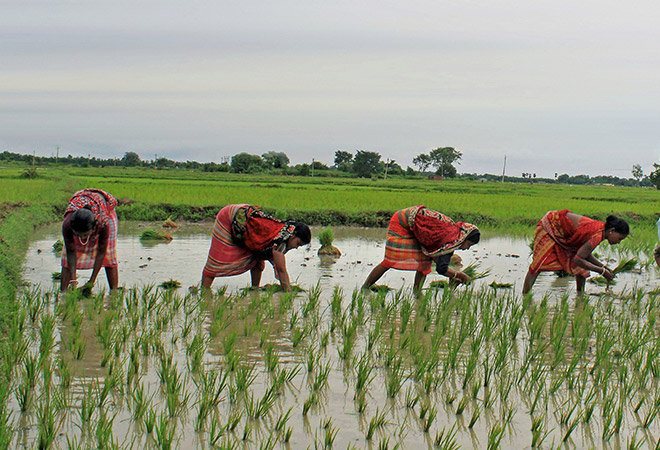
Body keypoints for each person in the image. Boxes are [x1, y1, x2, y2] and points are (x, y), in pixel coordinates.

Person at [363, 205, 480, 291]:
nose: (467, 248)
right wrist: (460, 275)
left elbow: (438, 260)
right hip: (403, 221)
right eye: (468, 245)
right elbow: (441, 268)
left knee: (425, 261)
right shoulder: (449, 239)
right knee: (390, 259)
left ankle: (417, 292)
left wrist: (453, 276)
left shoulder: (453, 235)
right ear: (464, 238)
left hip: (416, 226)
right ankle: (365, 287)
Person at [202, 204, 311, 292]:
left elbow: (270, 255)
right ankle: (204, 292)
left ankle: (254, 289)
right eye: (298, 243)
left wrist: (275, 267)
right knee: (217, 260)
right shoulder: (281, 242)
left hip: (245, 213)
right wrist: (288, 293)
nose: (296, 247)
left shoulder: (286, 232)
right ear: (293, 235)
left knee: (257, 258)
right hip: (230, 217)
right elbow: (282, 270)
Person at [523, 210, 629, 295]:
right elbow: (578, 259)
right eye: (619, 238)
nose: (618, 242)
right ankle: (525, 295)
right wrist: (601, 271)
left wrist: (603, 267)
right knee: (538, 264)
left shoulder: (600, 231)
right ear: (612, 231)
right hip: (551, 226)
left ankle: (580, 296)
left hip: (564, 235)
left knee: (581, 270)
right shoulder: (597, 235)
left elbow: (585, 254)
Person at [61, 189, 119, 292]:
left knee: (109, 257)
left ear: (93, 229)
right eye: (77, 235)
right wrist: (73, 281)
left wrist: (91, 282)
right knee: (66, 259)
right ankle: (64, 291)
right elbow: (71, 252)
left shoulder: (103, 223)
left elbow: (101, 252)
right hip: (84, 211)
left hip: (106, 209)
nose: (81, 238)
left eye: (84, 235)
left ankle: (114, 292)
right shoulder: (67, 224)